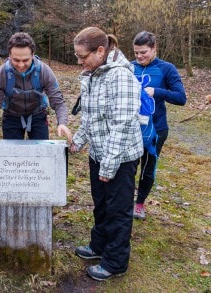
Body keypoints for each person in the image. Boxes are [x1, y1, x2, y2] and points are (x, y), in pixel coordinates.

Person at [70, 27, 143, 281]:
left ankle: (115, 262)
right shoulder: (93, 74)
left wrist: (109, 165)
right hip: (99, 154)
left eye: (83, 57)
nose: (80, 62)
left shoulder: (120, 77)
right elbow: (91, 119)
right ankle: (98, 246)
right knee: (101, 205)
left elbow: (121, 124)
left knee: (118, 210)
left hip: (120, 158)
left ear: (100, 51)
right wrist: (77, 141)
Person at [132, 31, 187, 219]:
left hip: (156, 129)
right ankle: (124, 200)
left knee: (148, 166)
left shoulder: (167, 69)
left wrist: (157, 91)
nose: (139, 57)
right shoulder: (128, 68)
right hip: (130, 128)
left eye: (144, 52)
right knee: (128, 166)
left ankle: (139, 204)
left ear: (154, 49)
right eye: (136, 53)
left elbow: (181, 98)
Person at [0, 32, 72, 142]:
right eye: (16, 60)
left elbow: (58, 102)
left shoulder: (44, 71)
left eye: (25, 60)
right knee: (13, 156)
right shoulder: (1, 74)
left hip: (37, 116)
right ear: (9, 56)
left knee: (41, 154)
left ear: (33, 54)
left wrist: (62, 123)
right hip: (11, 116)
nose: (21, 65)